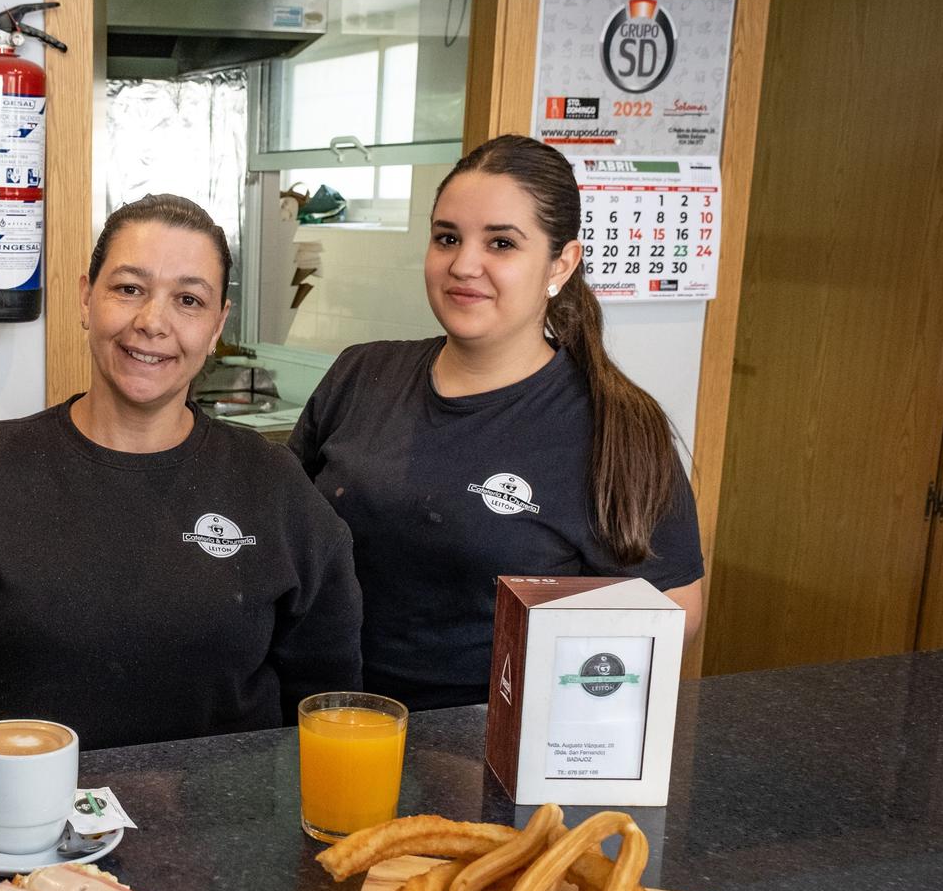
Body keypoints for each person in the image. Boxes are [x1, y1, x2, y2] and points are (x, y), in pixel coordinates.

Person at [0, 193, 362, 763]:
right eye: (128, 289)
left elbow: (328, 699)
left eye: (188, 299)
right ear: (86, 298)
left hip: (224, 831)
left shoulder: (271, 483)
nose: (152, 323)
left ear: (217, 324)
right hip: (26, 830)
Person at [291, 134, 705, 713]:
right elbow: (284, 535)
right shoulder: (362, 373)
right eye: (447, 238)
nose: (464, 264)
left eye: (502, 243)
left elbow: (675, 609)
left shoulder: (618, 428)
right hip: (326, 723)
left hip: (483, 753)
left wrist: (535, 723)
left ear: (561, 262)